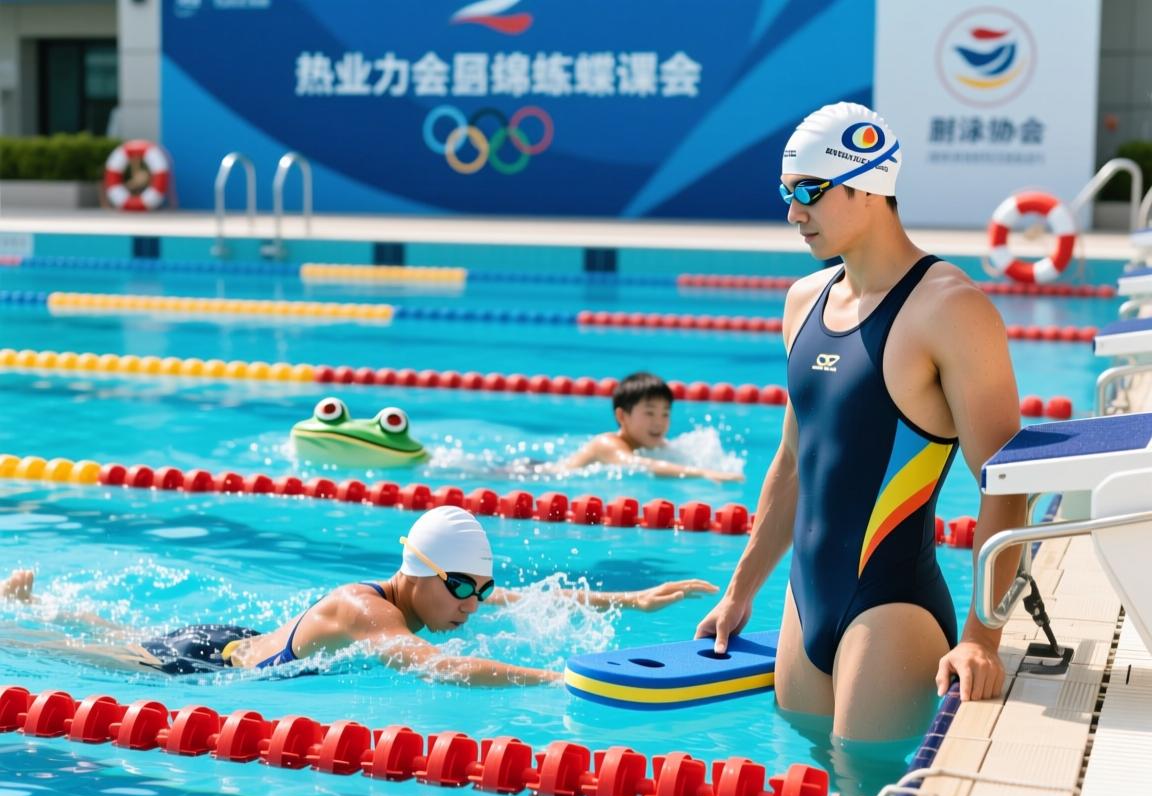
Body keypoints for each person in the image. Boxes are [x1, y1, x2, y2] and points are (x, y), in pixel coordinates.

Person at [694, 102, 1025, 742]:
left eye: (810, 193)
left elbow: (1008, 485)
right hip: (802, 604)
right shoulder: (803, 300)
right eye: (787, 194)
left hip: (892, 608)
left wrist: (983, 638)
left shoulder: (950, 309)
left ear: (868, 186)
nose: (794, 214)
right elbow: (793, 462)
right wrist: (739, 592)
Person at [4, 506, 717, 685]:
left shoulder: (440, 593)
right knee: (79, 655)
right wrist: (551, 678)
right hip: (207, 668)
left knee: (107, 628)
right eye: (462, 586)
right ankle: (18, 622)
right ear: (418, 572)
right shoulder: (365, 611)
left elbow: (535, 598)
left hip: (234, 632)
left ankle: (34, 600)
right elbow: (436, 667)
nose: (473, 602)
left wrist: (638, 602)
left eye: (481, 588)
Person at [561, 371, 744, 482]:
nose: (659, 422)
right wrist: (702, 473)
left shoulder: (653, 445)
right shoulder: (606, 444)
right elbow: (640, 465)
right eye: (649, 413)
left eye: (665, 413)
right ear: (622, 416)